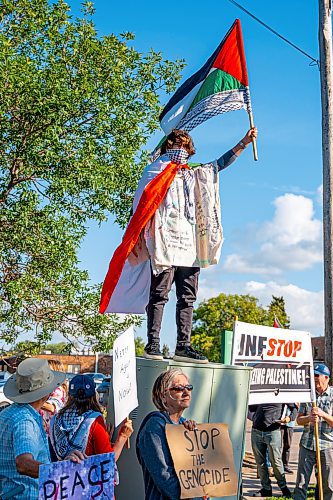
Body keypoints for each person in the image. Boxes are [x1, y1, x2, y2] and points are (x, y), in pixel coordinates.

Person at [100, 127, 258, 364]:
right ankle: (152, 344)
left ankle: (183, 345)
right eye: (175, 146)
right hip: (164, 242)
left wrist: (243, 142)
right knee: (159, 294)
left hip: (190, 244)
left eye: (184, 148)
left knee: (187, 296)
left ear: (189, 151)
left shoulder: (193, 173)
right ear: (167, 148)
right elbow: (143, 201)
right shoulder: (156, 170)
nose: (180, 151)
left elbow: (218, 165)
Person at [0, 358, 84, 500]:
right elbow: (23, 464)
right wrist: (62, 469)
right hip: (24, 495)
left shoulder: (8, 413)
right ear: (46, 393)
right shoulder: (25, 421)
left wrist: (58, 465)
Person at [136, 368, 202, 500]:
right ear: (163, 396)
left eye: (189, 387)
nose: (186, 392)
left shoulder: (184, 424)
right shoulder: (154, 427)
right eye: (178, 388)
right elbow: (163, 475)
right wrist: (194, 497)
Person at [50, 374, 133, 461]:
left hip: (61, 474)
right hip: (85, 474)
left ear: (69, 395)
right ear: (94, 395)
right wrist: (123, 437)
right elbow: (107, 461)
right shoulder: (94, 420)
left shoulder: (56, 419)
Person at [294, 363, 333, 500]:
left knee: (327, 484)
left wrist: (323, 414)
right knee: (301, 483)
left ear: (326, 378)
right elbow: (299, 420)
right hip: (307, 444)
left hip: (327, 446)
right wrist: (309, 418)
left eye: (317, 376)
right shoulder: (308, 395)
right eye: (313, 376)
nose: (314, 379)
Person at [249, 402, 297, 497]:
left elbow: (294, 408)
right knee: (260, 462)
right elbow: (252, 408)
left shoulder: (281, 392)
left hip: (273, 431)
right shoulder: (260, 391)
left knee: (276, 461)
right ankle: (266, 488)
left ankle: (283, 487)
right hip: (256, 430)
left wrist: (289, 418)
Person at [39, 359, 67, 434]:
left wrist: (33, 401)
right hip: (45, 432)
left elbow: (51, 408)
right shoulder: (49, 388)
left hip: (51, 434)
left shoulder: (58, 389)